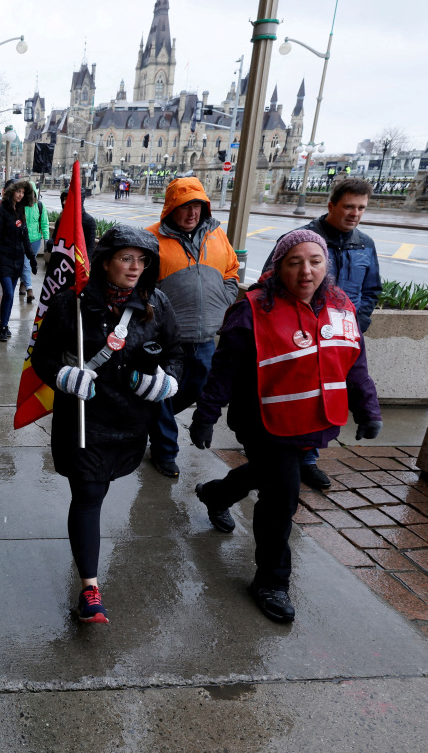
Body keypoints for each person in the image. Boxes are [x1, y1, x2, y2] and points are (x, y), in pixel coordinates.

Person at [190, 229, 382, 623]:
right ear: (279, 268)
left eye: (315, 261)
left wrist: (368, 410)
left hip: (312, 419)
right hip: (264, 421)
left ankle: (215, 494)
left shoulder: (340, 304)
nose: (306, 271)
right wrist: (205, 415)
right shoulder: (253, 310)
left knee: (270, 474)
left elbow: (354, 362)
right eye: (295, 262)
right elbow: (224, 370)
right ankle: (271, 581)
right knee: (282, 497)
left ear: (326, 265)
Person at [32, 225, 182, 623]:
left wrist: (165, 381)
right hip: (84, 422)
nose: (135, 268)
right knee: (88, 496)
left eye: (142, 260)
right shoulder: (71, 305)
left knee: (99, 490)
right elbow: (43, 358)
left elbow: (176, 353)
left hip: (131, 422)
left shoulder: (158, 304)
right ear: (105, 261)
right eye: (126, 258)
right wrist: (65, 377)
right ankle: (90, 589)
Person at [260, 177, 381, 490]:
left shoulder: (365, 244)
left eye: (361, 208)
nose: (355, 213)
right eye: (349, 206)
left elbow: (371, 288)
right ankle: (292, 457)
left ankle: (308, 460)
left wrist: (359, 321)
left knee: (328, 394)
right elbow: (269, 281)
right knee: (303, 397)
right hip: (299, 332)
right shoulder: (302, 239)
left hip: (340, 333)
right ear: (331, 205)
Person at [145, 178, 241, 478]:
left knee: (196, 389)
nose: (191, 213)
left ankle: (150, 417)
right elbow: (140, 285)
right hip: (167, 338)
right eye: (184, 207)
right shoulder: (152, 239)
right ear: (171, 208)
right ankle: (165, 451)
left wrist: (224, 300)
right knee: (162, 394)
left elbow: (232, 271)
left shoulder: (217, 235)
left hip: (206, 336)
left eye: (197, 206)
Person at [0, 180, 37, 341]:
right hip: (3, 259)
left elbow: (25, 238)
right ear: (11, 192)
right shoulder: (0, 211)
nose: (20, 195)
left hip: (17, 260)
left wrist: (32, 258)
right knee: (9, 293)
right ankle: (3, 327)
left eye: (23, 193)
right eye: (18, 191)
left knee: (9, 296)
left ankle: (5, 324)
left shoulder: (21, 211)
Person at [20, 181, 49, 304]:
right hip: (23, 240)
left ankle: (23, 284)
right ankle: (30, 290)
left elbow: (44, 223)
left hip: (36, 241)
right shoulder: (20, 206)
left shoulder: (40, 206)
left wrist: (46, 239)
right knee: (26, 264)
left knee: (27, 264)